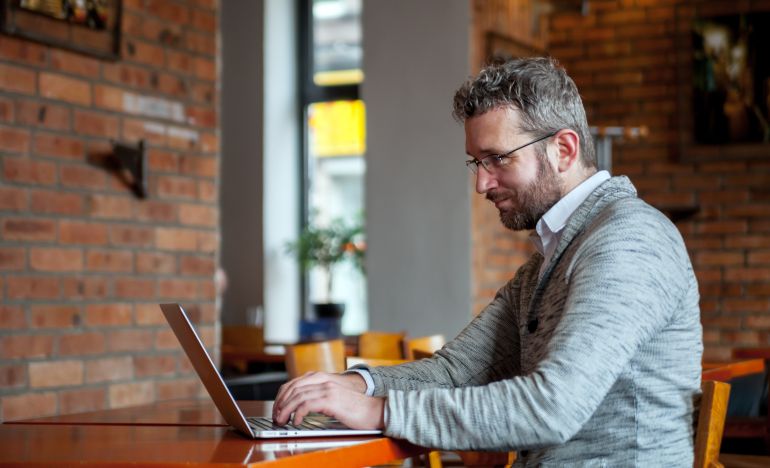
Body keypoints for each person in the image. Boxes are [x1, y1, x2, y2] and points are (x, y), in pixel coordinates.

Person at [273, 57, 703, 466]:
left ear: (564, 150)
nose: (481, 183)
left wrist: (379, 411)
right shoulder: (547, 263)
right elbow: (456, 372)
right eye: (477, 162)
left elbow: (552, 406)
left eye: (498, 158)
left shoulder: (629, 239)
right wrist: (356, 384)